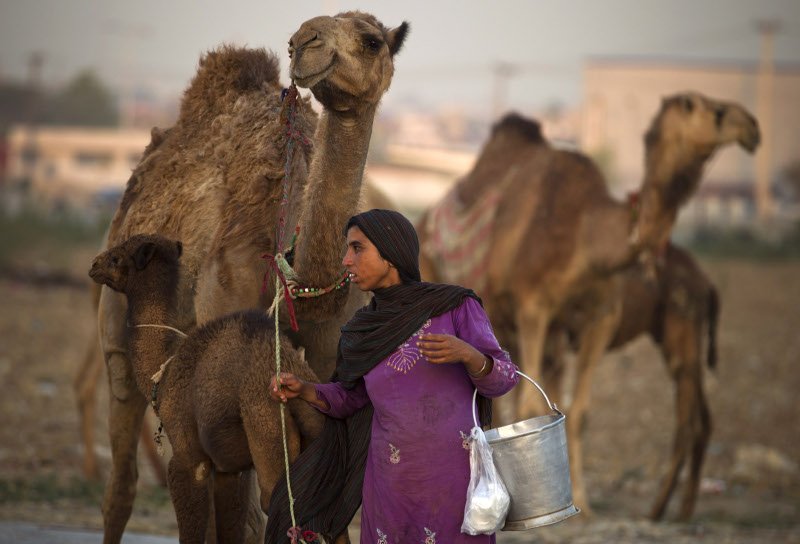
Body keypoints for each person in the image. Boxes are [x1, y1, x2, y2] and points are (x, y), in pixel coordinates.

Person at [265, 209, 519, 544]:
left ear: (391, 252)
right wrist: (306, 390)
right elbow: (351, 398)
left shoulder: (454, 306)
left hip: (455, 483)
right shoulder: (361, 331)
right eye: (347, 250)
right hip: (389, 487)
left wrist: (468, 355)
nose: (346, 260)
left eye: (358, 248)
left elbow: (504, 378)